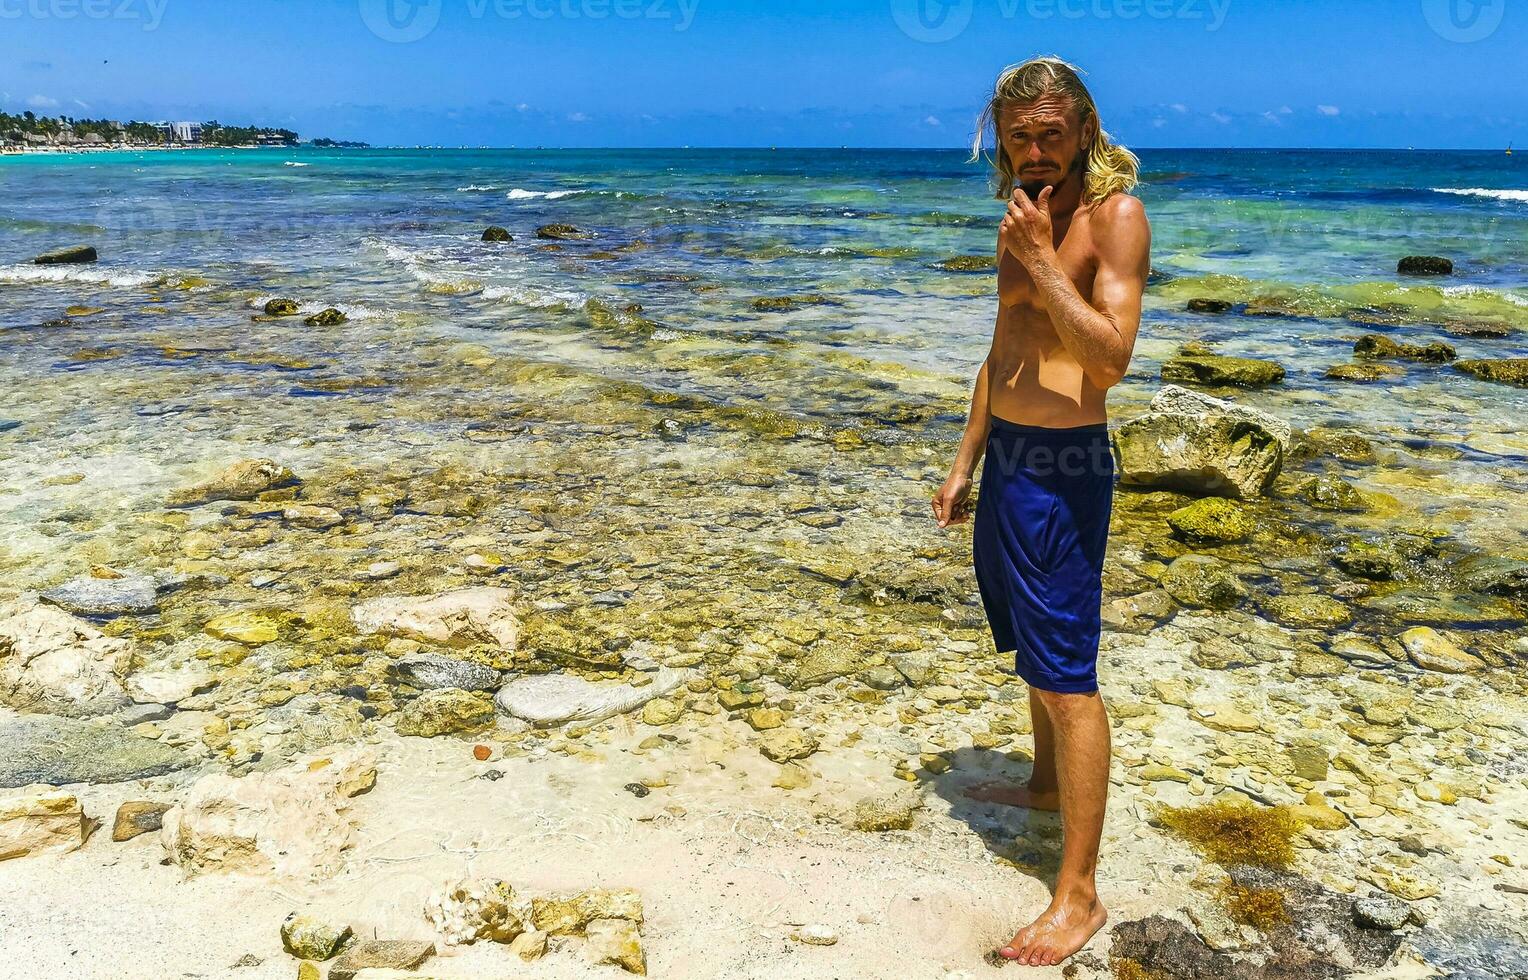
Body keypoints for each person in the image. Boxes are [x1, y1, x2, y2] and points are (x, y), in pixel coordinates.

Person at [930, 55, 1151, 967]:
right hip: (1012, 456)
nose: (1033, 153)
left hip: (1064, 467)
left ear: (1085, 131)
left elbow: (1109, 361)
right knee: (1028, 639)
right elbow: (1002, 346)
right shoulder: (1020, 218)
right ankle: (1046, 785)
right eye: (1019, 137)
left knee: (1068, 672)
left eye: (1050, 136)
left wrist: (1039, 263)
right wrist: (964, 459)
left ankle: (1080, 894)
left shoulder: (1115, 219)